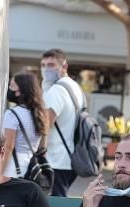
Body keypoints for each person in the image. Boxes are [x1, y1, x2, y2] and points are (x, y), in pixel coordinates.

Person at [41, 48, 84, 196]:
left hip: (55, 159)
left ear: (64, 66)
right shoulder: (75, 87)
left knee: (54, 206)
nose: (46, 69)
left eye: (51, 65)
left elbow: (44, 125)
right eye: (44, 65)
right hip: (69, 158)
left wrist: (39, 152)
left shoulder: (57, 90)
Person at [0, 70, 48, 180]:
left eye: (12, 86)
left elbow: (8, 147)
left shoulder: (12, 114)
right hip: (33, 167)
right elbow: (43, 148)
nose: (9, 89)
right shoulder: (40, 113)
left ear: (20, 91)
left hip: (13, 168)